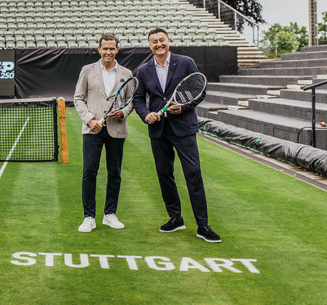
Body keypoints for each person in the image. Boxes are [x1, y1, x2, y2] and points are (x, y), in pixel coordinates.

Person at [132, 28, 221, 243]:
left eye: (162, 40)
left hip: (183, 128)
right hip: (158, 131)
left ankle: (203, 225)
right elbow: (137, 99)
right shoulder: (143, 71)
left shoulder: (185, 62)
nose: (158, 44)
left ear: (168, 41)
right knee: (165, 175)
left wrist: (184, 108)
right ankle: (175, 218)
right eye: (154, 42)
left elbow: (200, 91)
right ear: (150, 45)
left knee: (193, 174)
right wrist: (146, 115)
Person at [74, 34, 134, 233]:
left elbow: (130, 102)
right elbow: (78, 99)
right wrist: (90, 119)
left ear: (117, 50)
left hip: (117, 130)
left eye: (112, 49)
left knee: (114, 173)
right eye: (105, 48)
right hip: (92, 129)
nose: (108, 52)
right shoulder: (87, 70)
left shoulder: (126, 73)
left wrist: (123, 112)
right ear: (98, 49)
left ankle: (110, 214)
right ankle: (89, 217)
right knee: (89, 173)